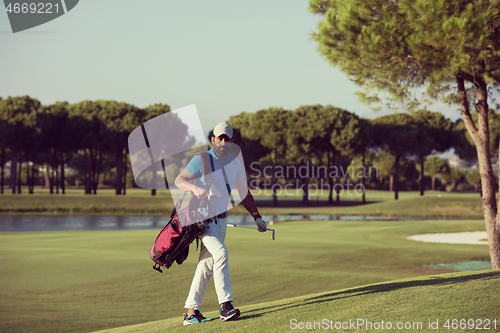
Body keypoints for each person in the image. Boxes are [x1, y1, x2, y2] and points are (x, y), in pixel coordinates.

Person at [174, 122, 267, 325]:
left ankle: (191, 313)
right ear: (213, 139)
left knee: (206, 265)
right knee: (221, 253)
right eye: (219, 138)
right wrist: (195, 189)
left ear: (232, 141)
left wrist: (257, 217)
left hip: (221, 222)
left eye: (227, 139)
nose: (223, 142)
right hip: (202, 220)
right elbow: (179, 180)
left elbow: (244, 193)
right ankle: (226, 306)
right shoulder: (202, 160)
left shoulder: (235, 163)